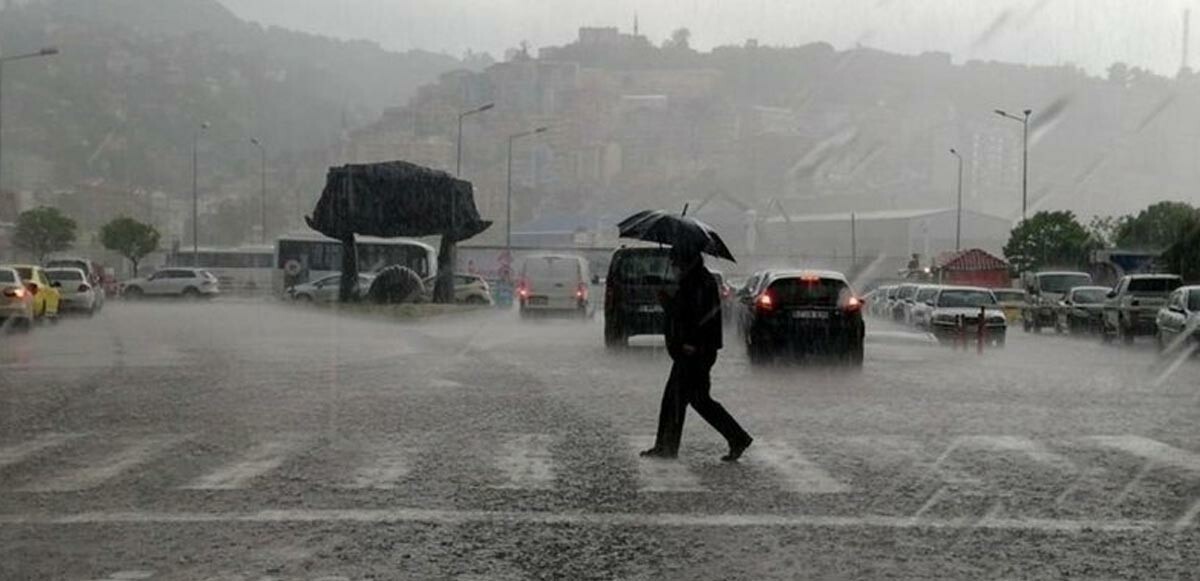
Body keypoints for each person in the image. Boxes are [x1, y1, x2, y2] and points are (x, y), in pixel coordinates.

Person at [641, 244, 753, 461]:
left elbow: (698, 316)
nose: (673, 266)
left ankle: (667, 447)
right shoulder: (695, 280)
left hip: (694, 351)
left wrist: (691, 341)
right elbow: (686, 312)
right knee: (696, 399)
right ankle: (736, 437)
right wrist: (669, 302)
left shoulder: (699, 282)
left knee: (678, 399)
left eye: (675, 261)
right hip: (695, 349)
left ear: (686, 260)